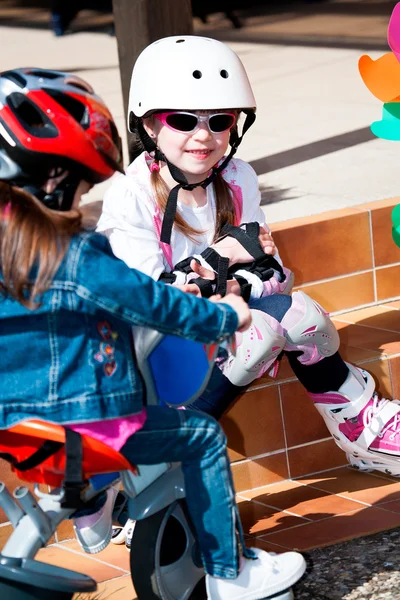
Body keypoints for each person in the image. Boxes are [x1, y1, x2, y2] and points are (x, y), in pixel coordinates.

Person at [0, 67, 306, 600]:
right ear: (54, 181)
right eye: (78, 187)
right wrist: (226, 317)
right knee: (201, 439)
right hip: (84, 425)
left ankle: (92, 503)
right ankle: (230, 576)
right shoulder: (73, 258)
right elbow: (154, 303)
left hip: (13, 427)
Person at [97, 35, 400, 482]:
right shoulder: (131, 195)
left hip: (216, 327)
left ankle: (362, 429)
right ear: (149, 125)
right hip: (150, 355)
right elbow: (154, 304)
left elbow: (272, 273)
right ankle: (158, 462)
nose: (204, 135)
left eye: (220, 120)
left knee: (300, 316)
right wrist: (226, 257)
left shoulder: (237, 179)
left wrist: (225, 280)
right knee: (261, 326)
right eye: (183, 120)